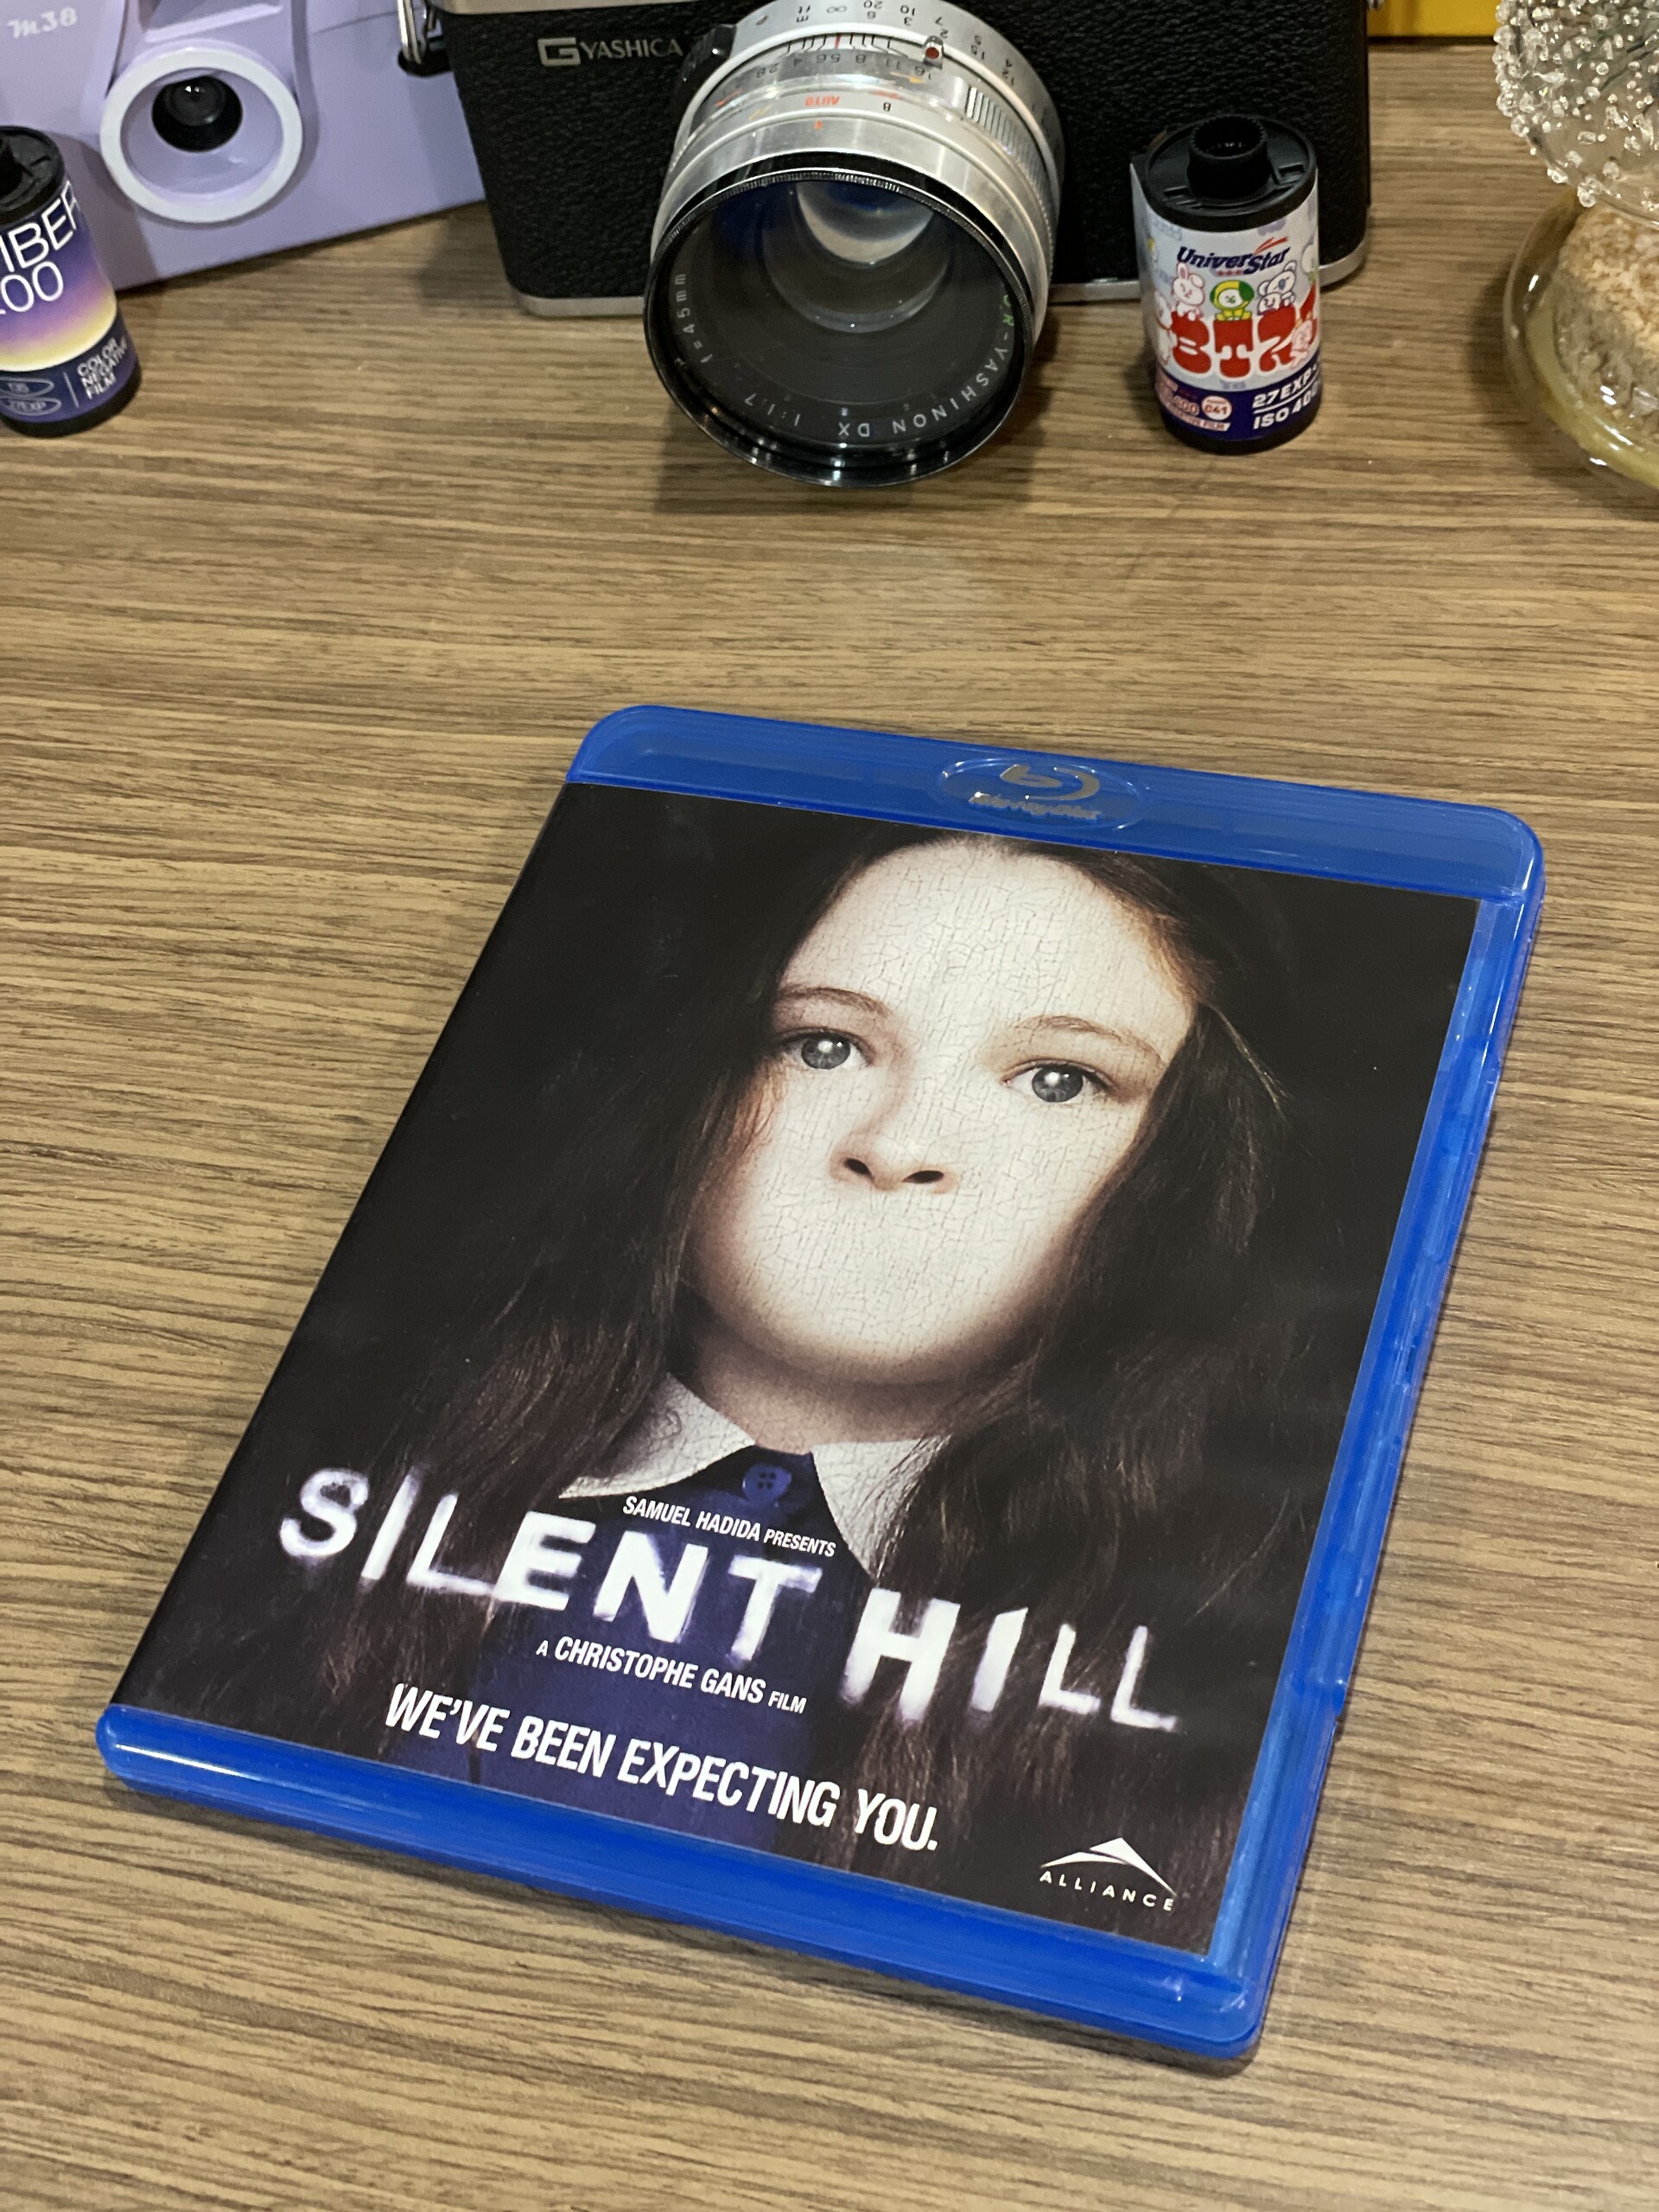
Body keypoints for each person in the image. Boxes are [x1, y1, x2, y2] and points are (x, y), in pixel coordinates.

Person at [145, 804, 1313, 1941]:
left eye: (1058, 1078)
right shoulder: (316, 1481)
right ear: (689, 1086)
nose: (898, 1144)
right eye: (822, 1046)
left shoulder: (1209, 1670)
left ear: (1193, 1161)